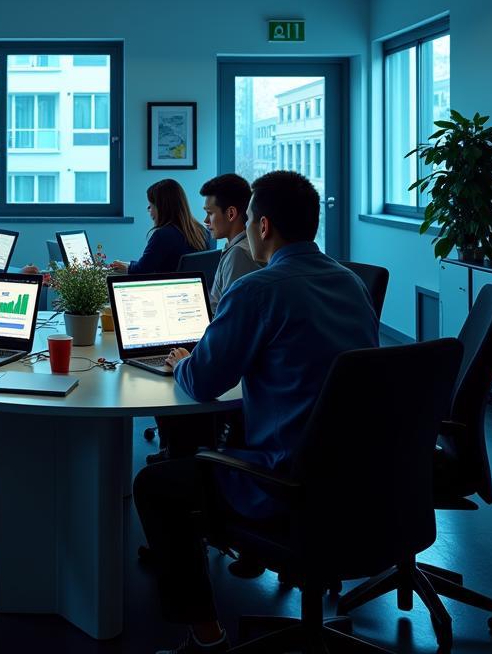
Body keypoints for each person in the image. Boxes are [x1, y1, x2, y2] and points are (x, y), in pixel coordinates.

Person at [134, 171, 378, 654]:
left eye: (246, 221)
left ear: (262, 226)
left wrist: (184, 362)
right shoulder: (352, 284)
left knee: (154, 484)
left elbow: (204, 382)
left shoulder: (259, 290)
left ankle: (204, 634)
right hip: (365, 479)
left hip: (288, 482)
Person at [109, 178, 207, 274]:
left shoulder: (162, 235)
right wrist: (131, 265)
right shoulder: (203, 232)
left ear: (161, 207)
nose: (150, 211)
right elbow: (148, 265)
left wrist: (127, 267)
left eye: (150, 206)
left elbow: (142, 270)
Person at [200, 173, 262, 306]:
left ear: (231, 214)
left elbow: (232, 315)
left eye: (210, 213)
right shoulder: (243, 247)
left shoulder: (238, 254)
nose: (206, 221)